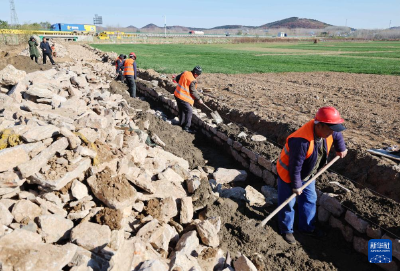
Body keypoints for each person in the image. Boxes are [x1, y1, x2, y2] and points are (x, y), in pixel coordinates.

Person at [276, 106, 348, 245]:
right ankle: (286, 229)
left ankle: (307, 228)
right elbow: (295, 168)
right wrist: (296, 186)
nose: (333, 132)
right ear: (319, 125)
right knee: (288, 203)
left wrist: (341, 148)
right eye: (331, 129)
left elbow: (337, 135)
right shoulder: (301, 141)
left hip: (308, 174)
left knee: (310, 199)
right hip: (289, 174)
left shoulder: (328, 130)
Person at [174, 66, 204, 134]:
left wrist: (183, 85)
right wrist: (199, 99)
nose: (198, 76)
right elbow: (193, 91)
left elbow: (177, 78)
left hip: (177, 94)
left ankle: (181, 124)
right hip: (183, 97)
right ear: (196, 73)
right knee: (189, 110)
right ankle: (186, 127)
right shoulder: (192, 80)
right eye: (198, 75)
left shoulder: (185, 72)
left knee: (182, 110)